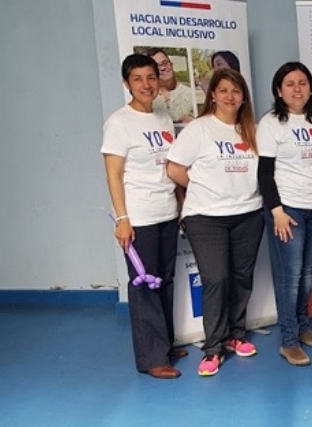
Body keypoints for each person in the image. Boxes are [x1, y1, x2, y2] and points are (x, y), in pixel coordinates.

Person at [166, 69, 264, 377]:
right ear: (213, 95)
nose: (230, 96)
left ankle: (236, 335)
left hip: (248, 213)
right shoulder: (199, 129)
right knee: (216, 279)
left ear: (243, 96)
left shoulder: (253, 130)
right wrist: (201, 187)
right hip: (206, 218)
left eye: (236, 91)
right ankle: (214, 347)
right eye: (223, 90)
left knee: (241, 277)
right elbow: (174, 169)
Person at [101, 53, 186, 379]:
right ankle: (152, 358)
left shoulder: (163, 119)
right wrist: (123, 219)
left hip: (165, 212)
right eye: (138, 79)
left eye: (151, 77)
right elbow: (113, 174)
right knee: (145, 285)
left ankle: (164, 343)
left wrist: (180, 206)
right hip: (139, 217)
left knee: (165, 280)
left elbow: (171, 166)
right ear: (127, 84)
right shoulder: (119, 122)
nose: (146, 85)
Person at [257, 62, 312, 366]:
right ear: (279, 91)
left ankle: (302, 326)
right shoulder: (272, 123)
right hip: (287, 210)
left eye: (302, 82)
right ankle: (288, 340)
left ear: (310, 87)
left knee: (307, 272)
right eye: (289, 83)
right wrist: (277, 211)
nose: (297, 88)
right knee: (290, 276)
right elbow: (264, 173)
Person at [147, 48, 195, 123]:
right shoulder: (148, 97)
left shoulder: (189, 93)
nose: (162, 68)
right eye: (156, 66)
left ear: (171, 64)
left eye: (165, 63)